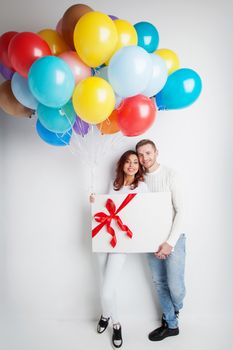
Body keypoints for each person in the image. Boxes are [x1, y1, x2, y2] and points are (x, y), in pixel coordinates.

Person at [90, 150, 148, 348]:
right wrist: (95, 202)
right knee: (106, 283)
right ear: (122, 164)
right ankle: (106, 315)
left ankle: (115, 323)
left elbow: (143, 215)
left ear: (139, 167)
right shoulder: (114, 185)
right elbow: (107, 208)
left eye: (135, 163)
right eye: (128, 162)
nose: (131, 165)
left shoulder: (141, 187)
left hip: (121, 243)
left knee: (106, 291)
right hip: (102, 239)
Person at [136, 139, 186, 342]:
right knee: (159, 282)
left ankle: (176, 308)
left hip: (174, 238)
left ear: (156, 152)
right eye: (140, 155)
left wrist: (169, 243)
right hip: (150, 239)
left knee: (175, 286)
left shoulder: (171, 175)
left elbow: (181, 212)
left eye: (148, 153)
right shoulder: (139, 181)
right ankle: (171, 324)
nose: (144, 158)